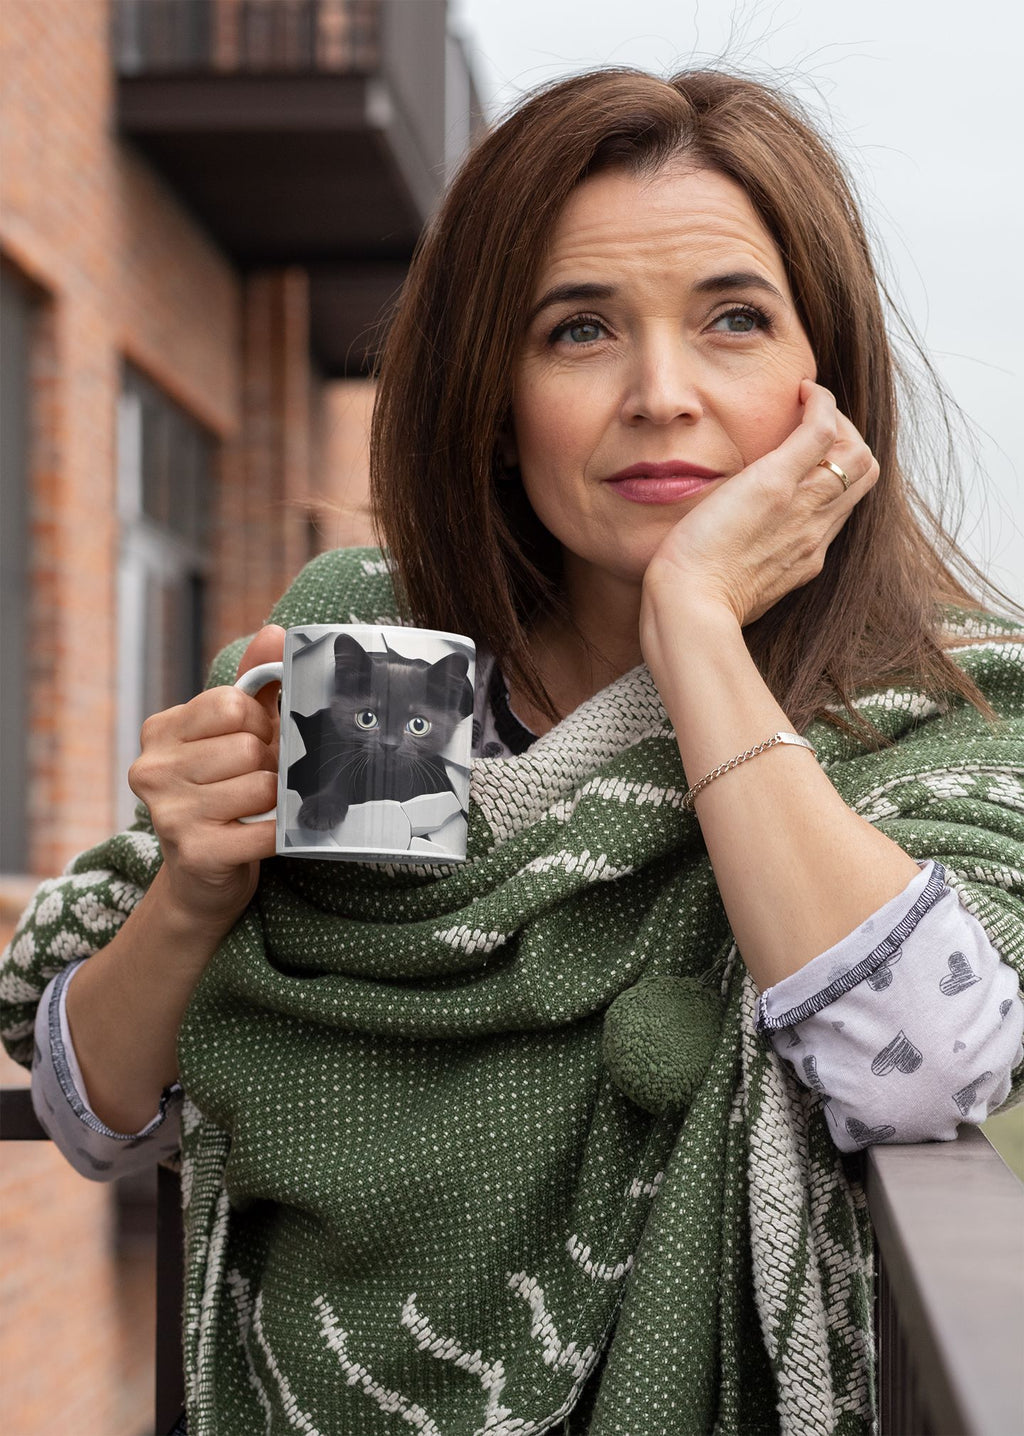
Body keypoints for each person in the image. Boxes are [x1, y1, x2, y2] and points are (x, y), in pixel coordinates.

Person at [3, 68, 1023, 1436]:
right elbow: (98, 1121)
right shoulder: (378, 662)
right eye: (579, 329)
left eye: (734, 319)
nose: (661, 394)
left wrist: (696, 630)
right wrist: (194, 891)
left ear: (824, 381)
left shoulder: (928, 706)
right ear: (495, 394)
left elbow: (929, 1062)